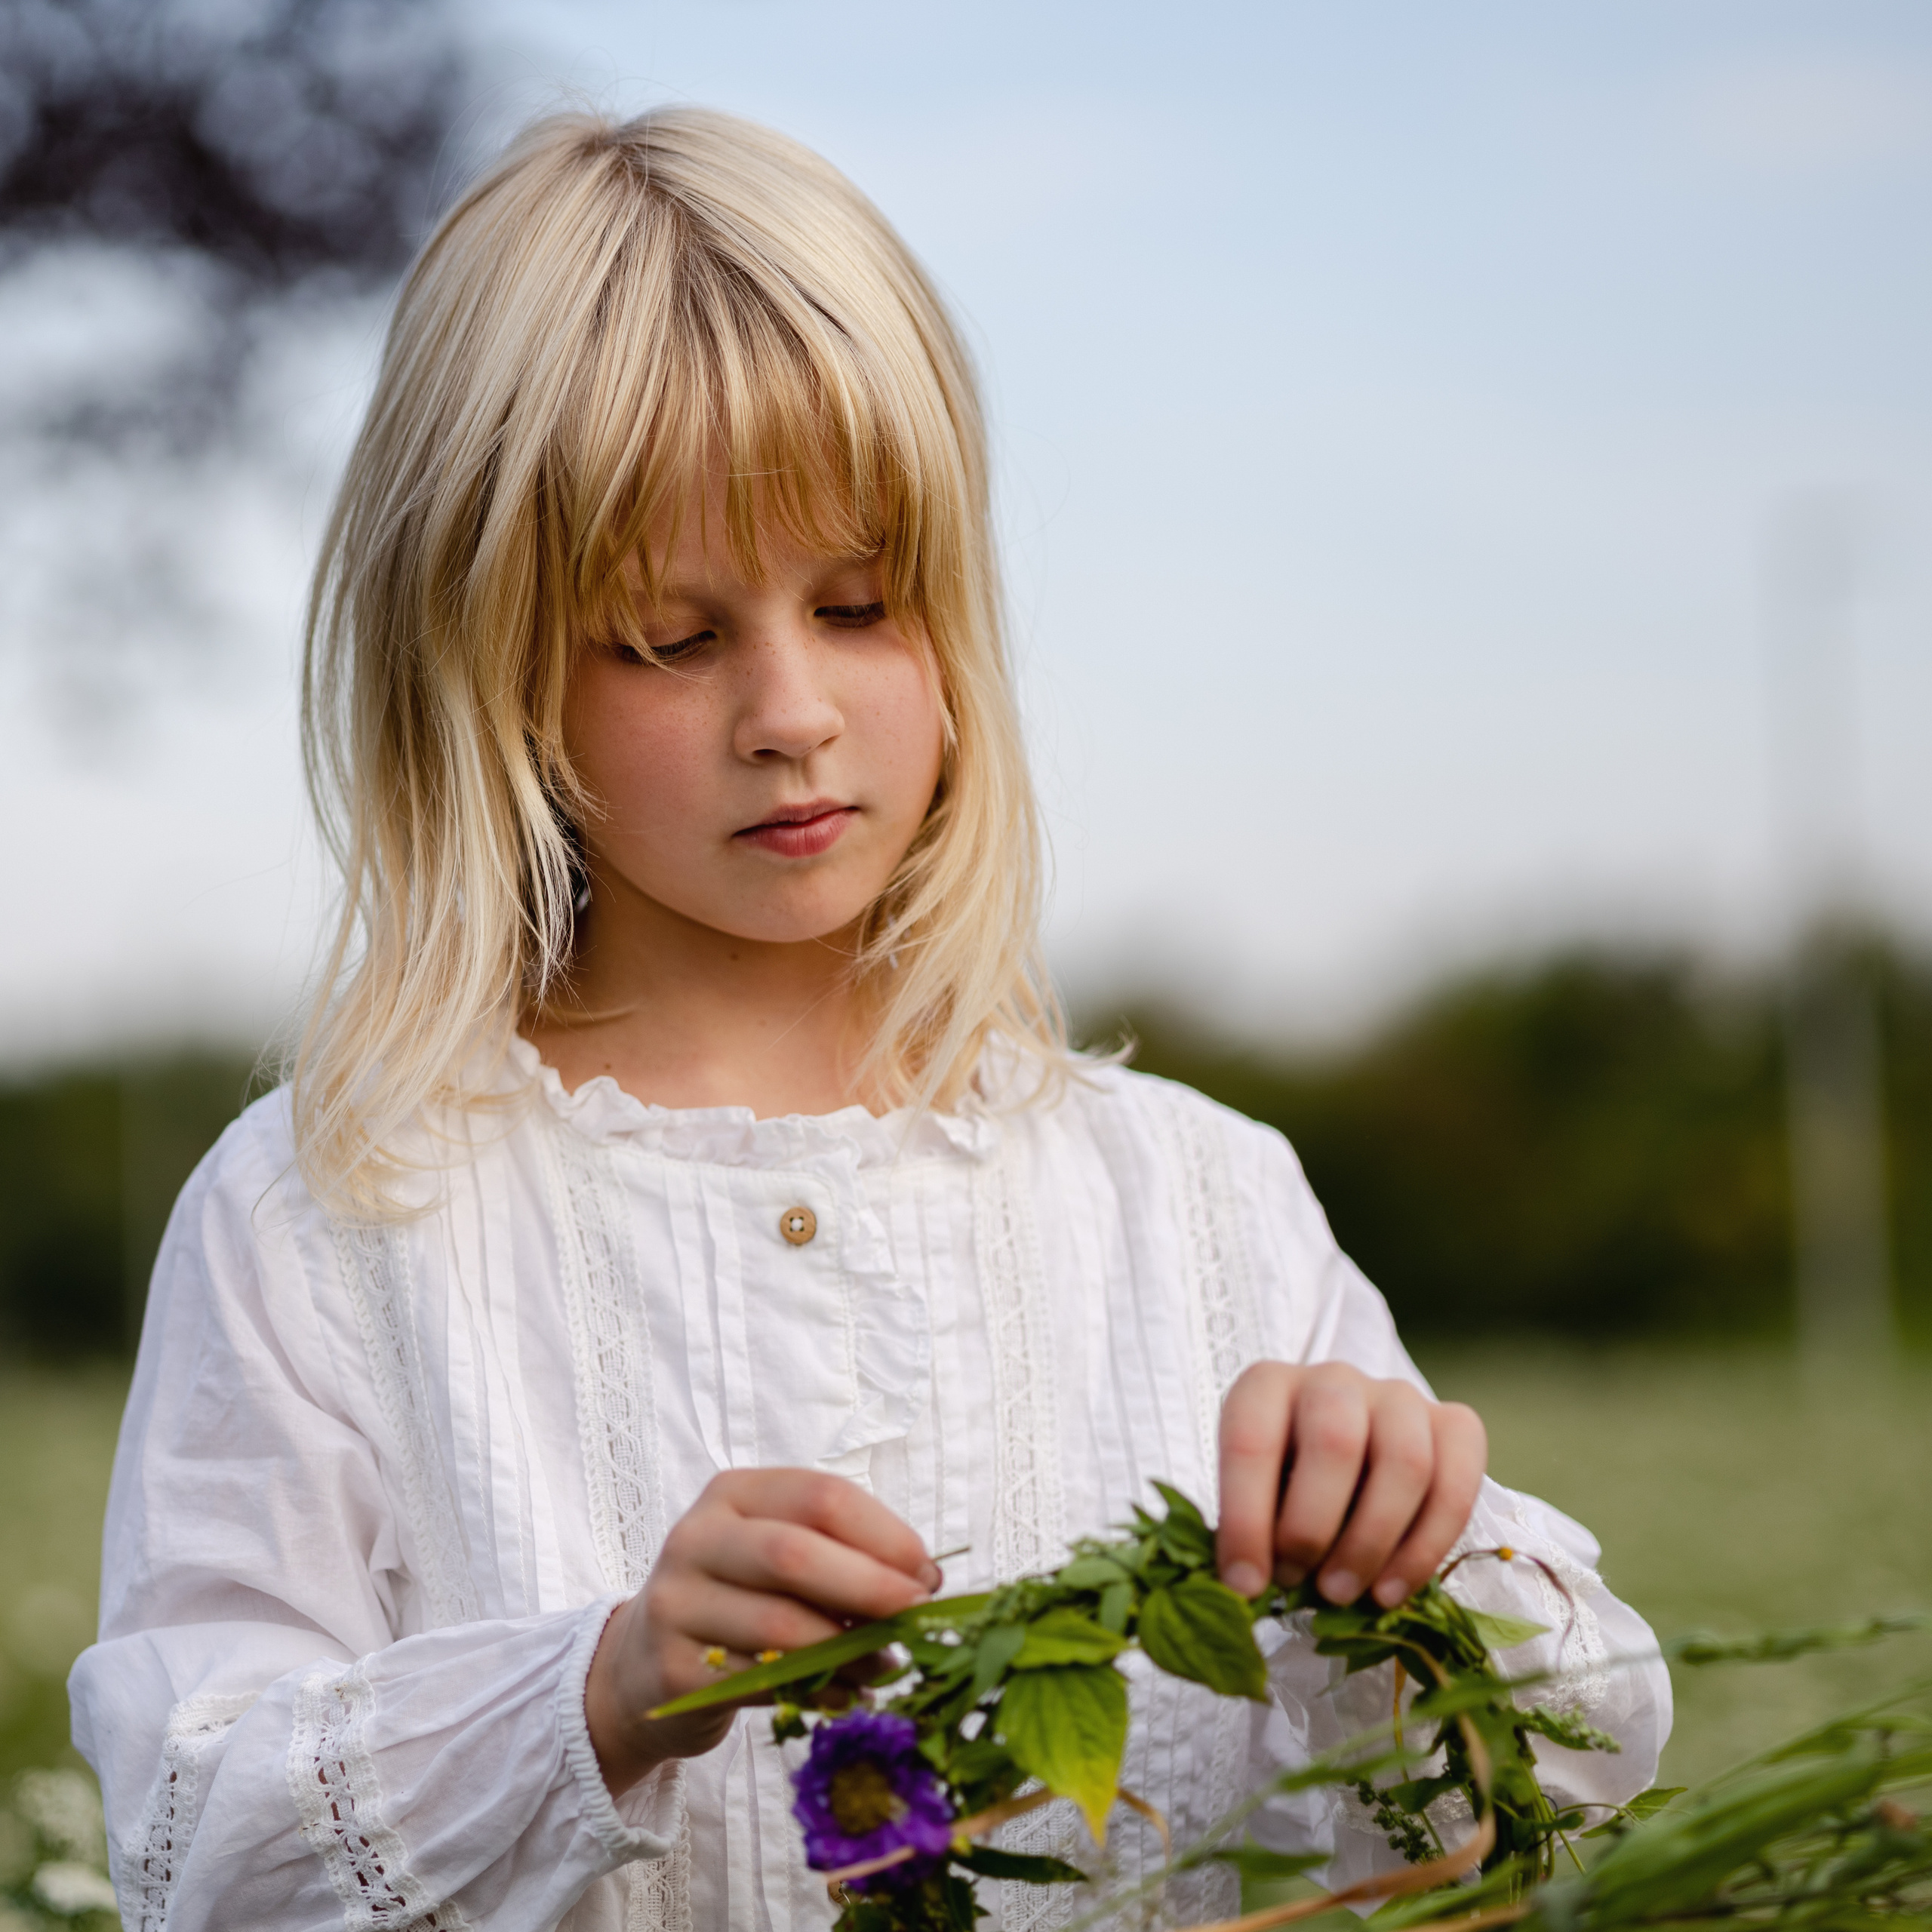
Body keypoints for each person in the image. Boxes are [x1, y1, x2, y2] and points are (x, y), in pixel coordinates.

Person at [69, 107, 1670, 1932]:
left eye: (859, 604)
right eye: (669, 637)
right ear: (487, 662)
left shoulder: (1200, 1205)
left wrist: (1416, 1552)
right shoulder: (326, 1216)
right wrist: (597, 1690)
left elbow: (1557, 1766)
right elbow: (194, 1849)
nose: (792, 710)